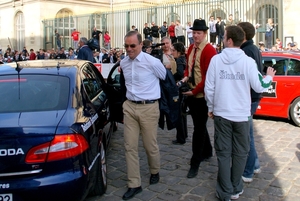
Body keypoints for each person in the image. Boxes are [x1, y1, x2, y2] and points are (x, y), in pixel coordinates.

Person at [204, 25, 276, 201]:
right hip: (241, 115)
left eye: (224, 37)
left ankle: (225, 191)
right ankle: (235, 187)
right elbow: (260, 86)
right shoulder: (248, 62)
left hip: (222, 114)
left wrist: (211, 107)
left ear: (229, 40)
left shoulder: (216, 60)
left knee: (223, 153)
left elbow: (209, 89)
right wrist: (269, 76)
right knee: (240, 152)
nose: (222, 39)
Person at [120, 30, 166, 200]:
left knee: (149, 145)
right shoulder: (124, 63)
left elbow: (163, 77)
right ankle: (134, 183)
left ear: (141, 45)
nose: (129, 49)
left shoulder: (152, 62)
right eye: (126, 46)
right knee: (129, 146)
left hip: (149, 108)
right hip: (130, 107)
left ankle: (155, 170)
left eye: (132, 45)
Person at [178, 19, 216, 178]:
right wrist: (185, 78)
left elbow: (208, 77)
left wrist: (195, 92)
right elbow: (188, 68)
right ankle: (207, 151)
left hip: (201, 96)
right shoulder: (191, 48)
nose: (195, 36)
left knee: (198, 129)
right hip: (192, 92)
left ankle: (195, 162)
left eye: (198, 33)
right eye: (193, 32)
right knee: (199, 124)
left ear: (205, 33)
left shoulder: (209, 50)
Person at [237, 21, 264, 183]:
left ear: (243, 35)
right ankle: (254, 165)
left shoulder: (247, 51)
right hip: (253, 96)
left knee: (246, 137)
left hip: (249, 97)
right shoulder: (253, 48)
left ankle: (247, 171)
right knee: (250, 134)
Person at [171, 42, 188, 144]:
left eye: (173, 50)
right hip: (183, 88)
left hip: (181, 89)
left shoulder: (180, 60)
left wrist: (172, 76)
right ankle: (183, 135)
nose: (172, 52)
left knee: (179, 114)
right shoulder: (183, 59)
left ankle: (181, 138)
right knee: (182, 114)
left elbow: (181, 73)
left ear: (178, 51)